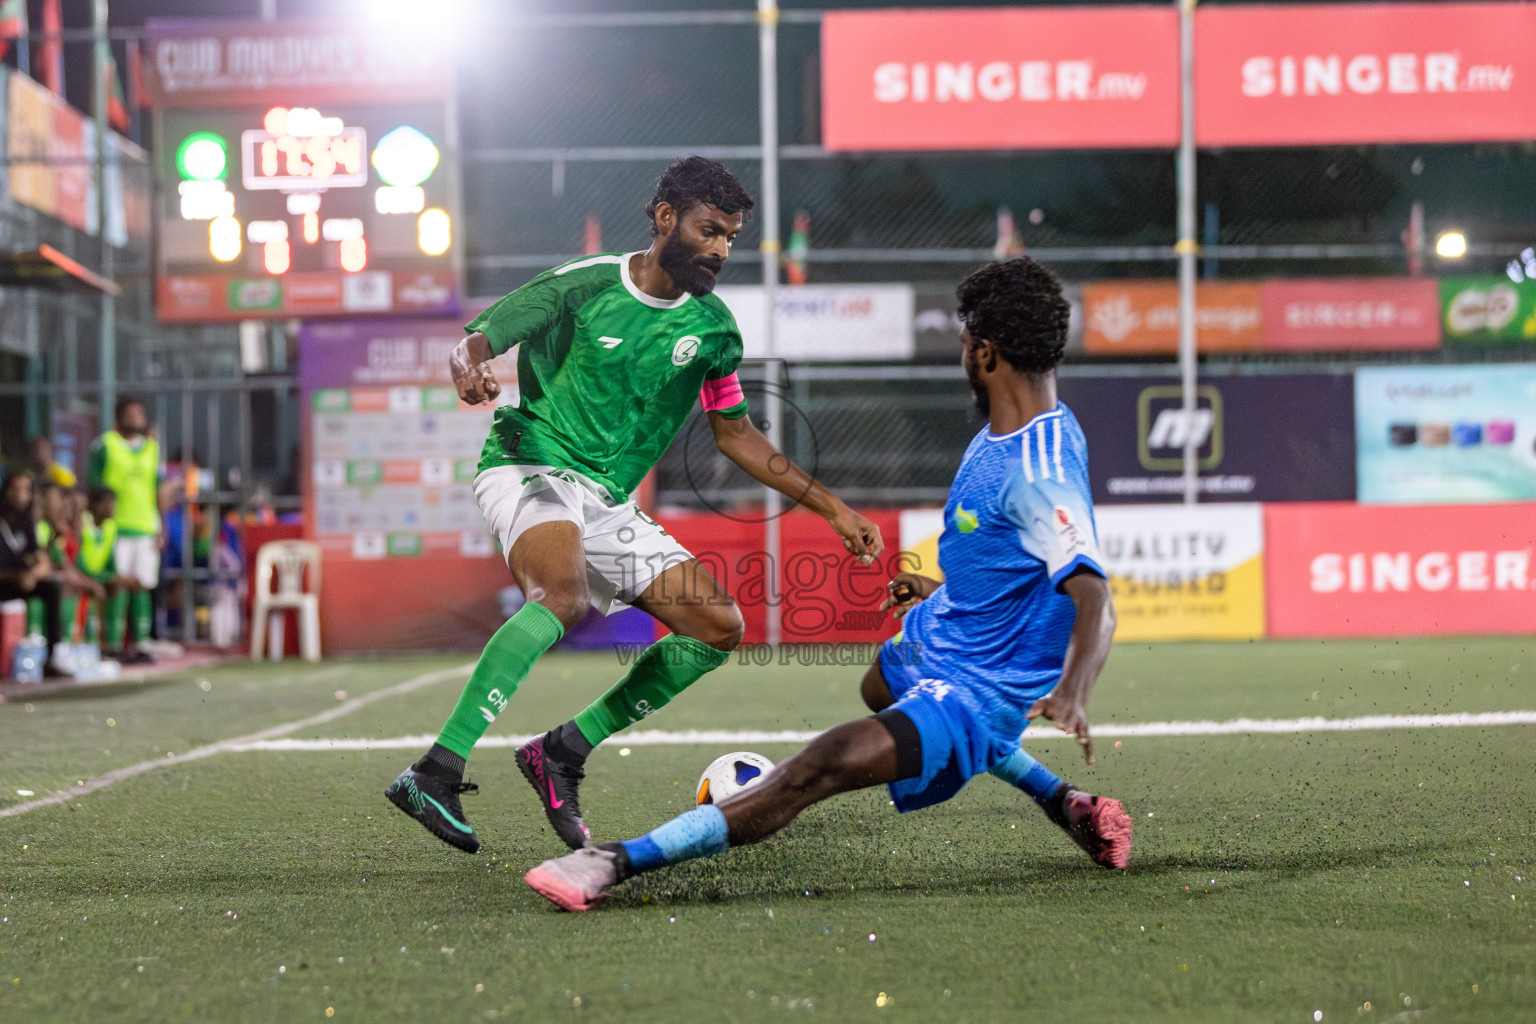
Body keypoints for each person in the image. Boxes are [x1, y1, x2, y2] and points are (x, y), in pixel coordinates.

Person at [523, 257, 1134, 912]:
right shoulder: (1015, 431)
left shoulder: (1039, 470)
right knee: (878, 685)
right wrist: (936, 592)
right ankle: (1067, 802)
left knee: (824, 763)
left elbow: (1094, 595)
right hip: (947, 632)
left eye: (963, 345)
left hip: (979, 693)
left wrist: (1072, 692)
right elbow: (1015, 556)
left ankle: (609, 863)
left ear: (984, 354)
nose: (960, 357)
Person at [387, 157, 884, 854]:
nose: (719, 250)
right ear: (664, 219)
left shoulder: (714, 332)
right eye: (709, 231)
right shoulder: (585, 284)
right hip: (530, 463)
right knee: (559, 597)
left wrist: (832, 508)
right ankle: (434, 771)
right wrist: (471, 368)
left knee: (716, 626)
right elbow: (478, 340)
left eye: (731, 238)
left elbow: (736, 433)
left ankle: (561, 750)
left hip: (604, 501)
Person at [88, 398, 163, 662]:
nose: (138, 419)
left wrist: (159, 526)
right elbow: (92, 485)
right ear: (120, 417)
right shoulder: (105, 445)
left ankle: (141, 645)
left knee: (142, 586)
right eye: (132, 414)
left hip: (145, 527)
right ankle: (112, 645)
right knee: (116, 585)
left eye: (141, 413)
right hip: (115, 527)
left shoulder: (152, 449)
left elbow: (158, 490)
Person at [0, 472, 72, 677]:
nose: (21, 494)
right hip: (5, 579)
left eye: (26, 489)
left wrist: (32, 575)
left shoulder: (25, 521)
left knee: (52, 587)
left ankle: (52, 657)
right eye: (17, 488)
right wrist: (17, 576)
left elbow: (42, 560)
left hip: (22, 581)